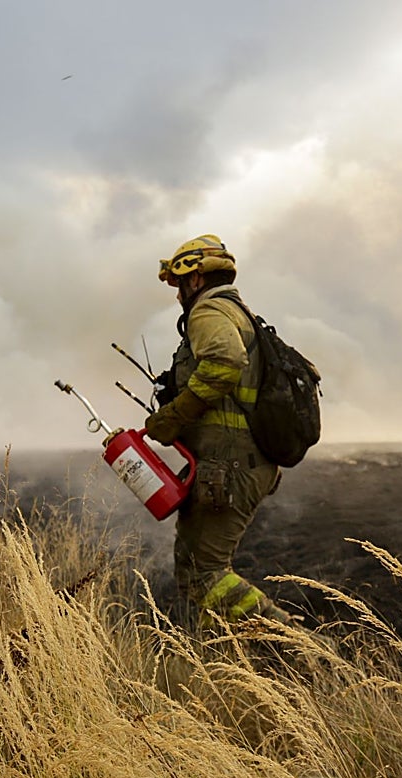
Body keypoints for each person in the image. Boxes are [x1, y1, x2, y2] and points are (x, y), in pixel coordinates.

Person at [145, 234, 300, 630]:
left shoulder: (208, 312)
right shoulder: (239, 313)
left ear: (195, 278)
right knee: (202, 573)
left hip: (228, 466)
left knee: (203, 574)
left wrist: (174, 416)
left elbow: (224, 362)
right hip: (238, 463)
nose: (178, 294)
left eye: (180, 283)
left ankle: (301, 649)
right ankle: (226, 655)